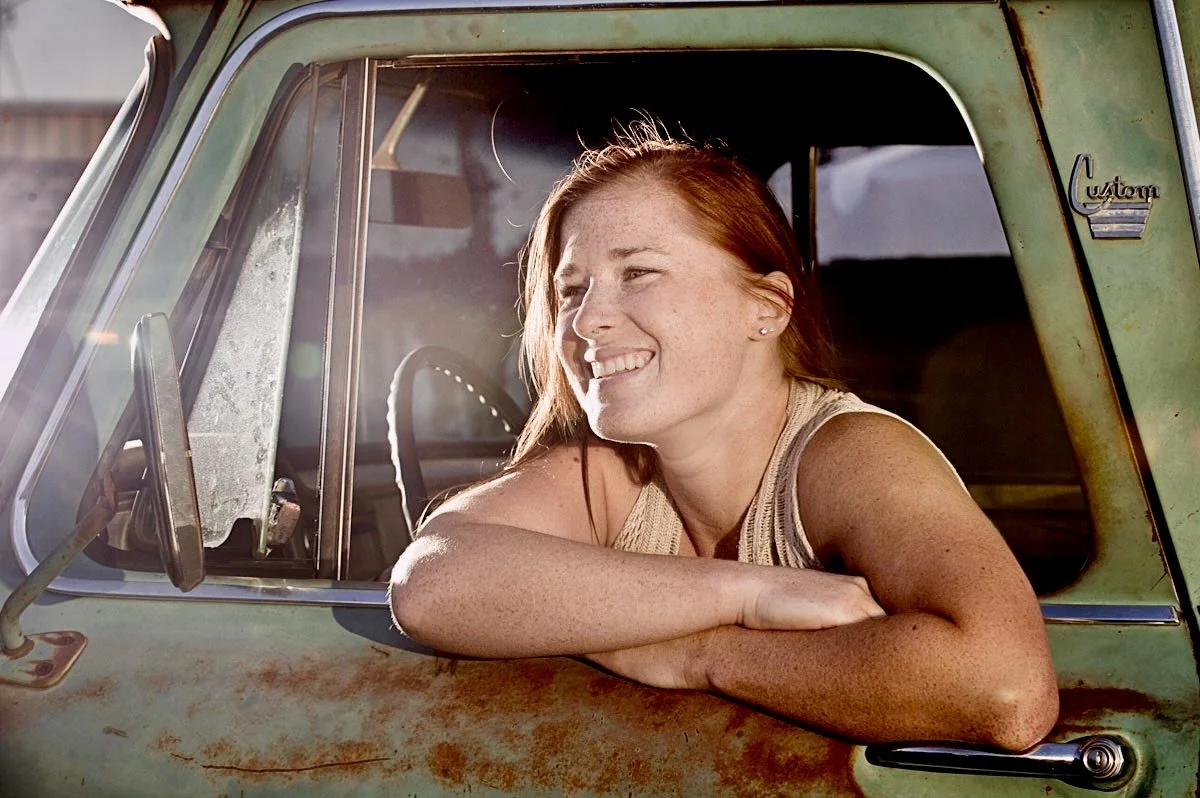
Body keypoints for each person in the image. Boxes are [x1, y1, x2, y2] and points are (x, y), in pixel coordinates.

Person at [389, 129, 1059, 750]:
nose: (588, 320)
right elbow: (430, 581)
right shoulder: (614, 472)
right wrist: (747, 596)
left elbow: (1004, 689)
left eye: (638, 274)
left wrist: (700, 656)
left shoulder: (849, 456)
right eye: (571, 289)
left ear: (764, 310)